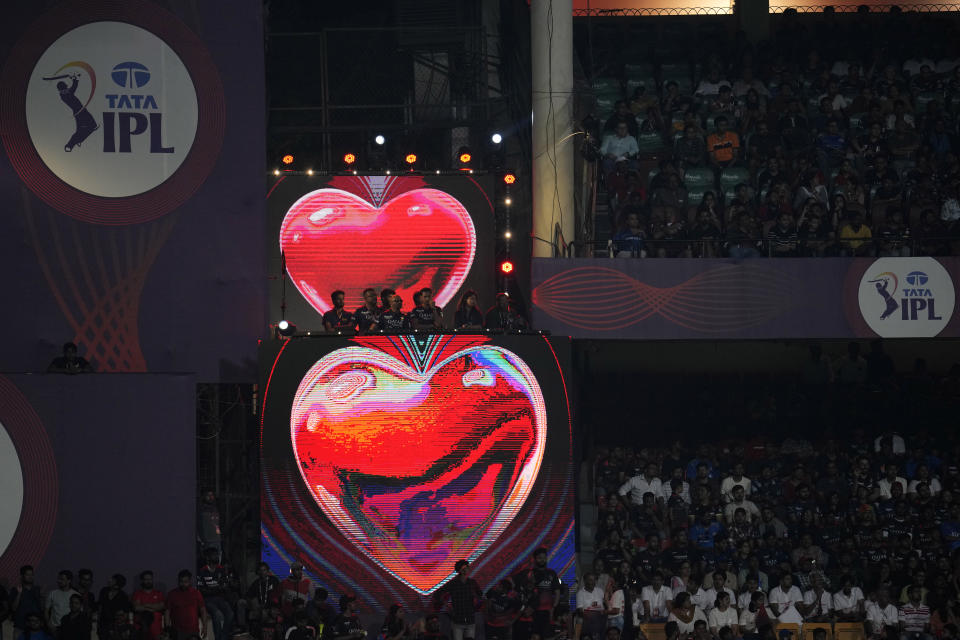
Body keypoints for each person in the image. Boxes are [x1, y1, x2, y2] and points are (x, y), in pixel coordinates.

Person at [434, 560, 483, 640]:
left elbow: (480, 594)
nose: (467, 569)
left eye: (467, 567)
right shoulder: (453, 583)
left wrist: (476, 600)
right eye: (465, 567)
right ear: (460, 570)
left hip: (470, 618)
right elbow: (437, 594)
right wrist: (446, 604)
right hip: (457, 619)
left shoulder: (472, 582)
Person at [197, 548, 236, 640]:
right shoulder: (202, 571)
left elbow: (224, 586)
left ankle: (223, 637)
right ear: (208, 557)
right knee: (217, 614)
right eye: (214, 555)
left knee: (230, 614)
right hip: (207, 600)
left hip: (220, 598)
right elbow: (202, 590)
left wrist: (218, 588)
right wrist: (217, 588)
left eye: (217, 555)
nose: (216, 557)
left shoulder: (221, 569)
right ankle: (218, 638)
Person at [523, 549, 561, 639]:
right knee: (534, 636)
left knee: (546, 636)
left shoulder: (551, 573)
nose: (542, 560)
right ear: (535, 559)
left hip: (548, 611)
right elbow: (526, 592)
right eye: (539, 558)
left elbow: (557, 592)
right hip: (533, 611)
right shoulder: (530, 573)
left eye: (544, 558)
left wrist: (553, 607)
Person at [165, 570, 208, 640]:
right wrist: (167, 629)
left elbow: (203, 610)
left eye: (186, 582)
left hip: (193, 630)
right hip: (177, 631)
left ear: (190, 581)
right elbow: (167, 611)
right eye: (181, 581)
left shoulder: (196, 593)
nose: (183, 584)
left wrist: (205, 627)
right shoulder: (172, 594)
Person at [246, 563, 280, 635]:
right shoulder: (256, 583)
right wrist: (254, 604)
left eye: (264, 570)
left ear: (267, 571)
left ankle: (263, 634)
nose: (262, 572)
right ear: (258, 572)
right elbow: (249, 596)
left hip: (272, 607)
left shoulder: (273, 580)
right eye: (260, 570)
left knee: (264, 613)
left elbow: (279, 594)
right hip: (260, 607)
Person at [131, 571, 165, 640]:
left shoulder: (159, 593)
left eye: (150, 579)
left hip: (156, 631)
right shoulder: (137, 593)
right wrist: (153, 608)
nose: (148, 581)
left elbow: (161, 606)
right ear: (142, 581)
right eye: (146, 579)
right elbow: (136, 607)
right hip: (140, 630)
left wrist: (145, 605)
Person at [11, 566, 44, 638]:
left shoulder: (37, 589)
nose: (30, 577)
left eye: (32, 575)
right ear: (22, 576)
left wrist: (41, 596)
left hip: (36, 628)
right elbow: (13, 608)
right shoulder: (15, 589)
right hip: (20, 626)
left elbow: (42, 608)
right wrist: (19, 594)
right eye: (27, 575)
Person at [575, 574, 606, 639]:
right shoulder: (580, 593)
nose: (593, 582)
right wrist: (592, 616)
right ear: (585, 581)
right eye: (590, 580)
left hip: (601, 619)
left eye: (594, 580)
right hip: (587, 620)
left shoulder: (600, 591)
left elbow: (605, 604)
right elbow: (580, 611)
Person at [46, 571, 78, 635]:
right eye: (58, 579)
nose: (59, 581)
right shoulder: (53, 593)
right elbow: (46, 610)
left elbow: (79, 612)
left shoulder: (75, 595)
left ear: (69, 581)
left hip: (70, 628)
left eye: (62, 579)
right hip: (55, 628)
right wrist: (49, 624)